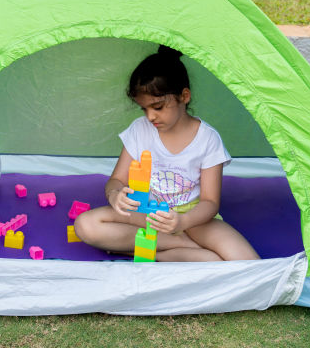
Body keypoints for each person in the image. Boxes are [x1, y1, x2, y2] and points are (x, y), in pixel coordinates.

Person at [74, 45, 260, 262]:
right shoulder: (139, 130)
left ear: (184, 96)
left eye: (158, 107)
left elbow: (210, 202)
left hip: (192, 220)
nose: (151, 116)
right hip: (146, 213)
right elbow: (116, 180)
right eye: (144, 109)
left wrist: (181, 223)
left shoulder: (208, 139)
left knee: (247, 262)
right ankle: (180, 246)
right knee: (86, 225)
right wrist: (114, 195)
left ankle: (148, 250)